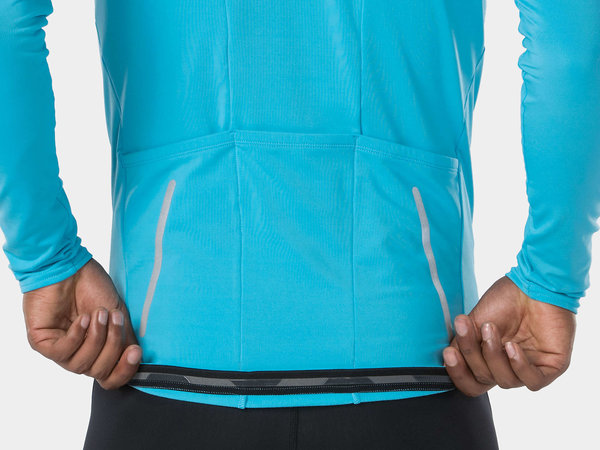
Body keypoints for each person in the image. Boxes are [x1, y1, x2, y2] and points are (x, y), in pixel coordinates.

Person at [1, 0, 598, 449]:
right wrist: (550, 276)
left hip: (169, 347)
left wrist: (46, 259)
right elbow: (571, 40)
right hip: (413, 352)